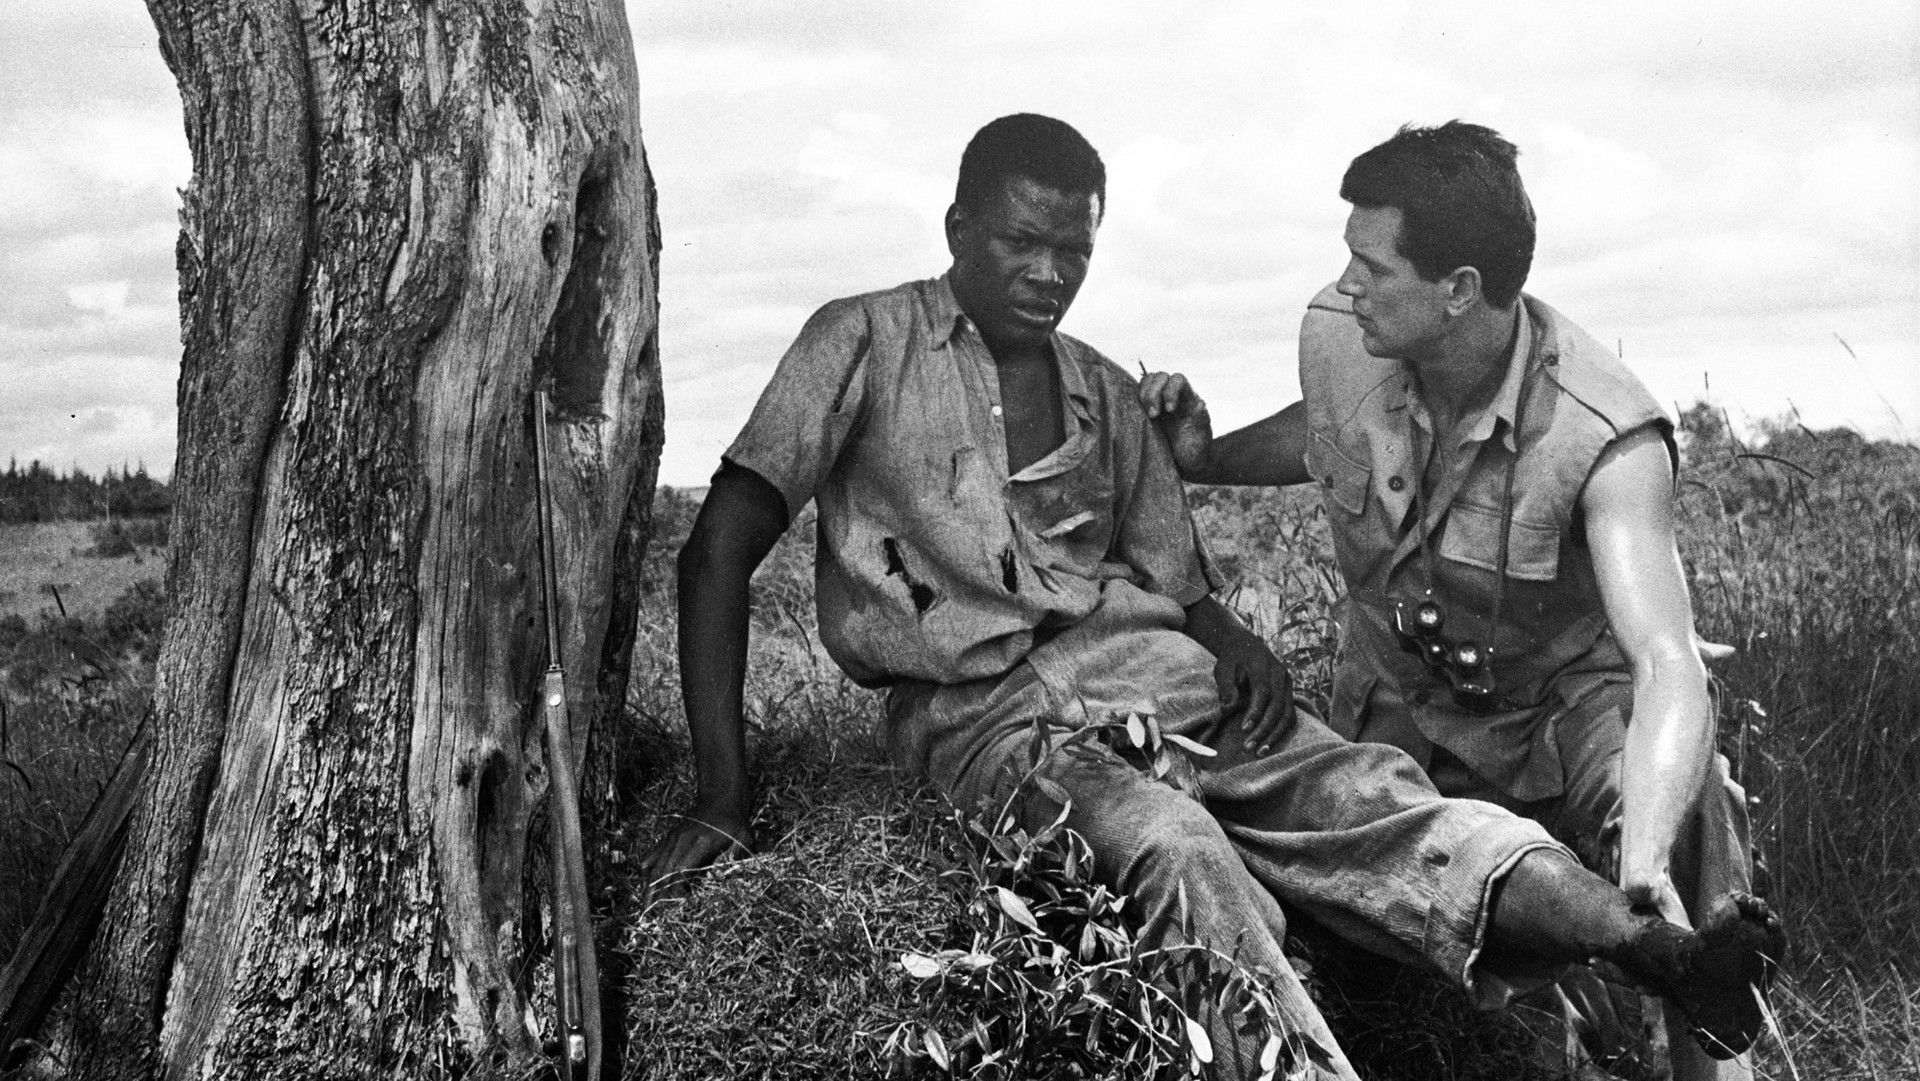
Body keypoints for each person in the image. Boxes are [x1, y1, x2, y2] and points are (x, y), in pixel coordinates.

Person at [642, 113, 1781, 1081]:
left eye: (1074, 250)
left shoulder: (1104, 392)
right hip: (989, 719)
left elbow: (1185, 590)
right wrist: (721, 789)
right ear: (957, 230)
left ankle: (1647, 942)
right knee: (1176, 844)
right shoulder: (856, 343)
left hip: (1170, 682)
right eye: (1021, 242)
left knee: (1369, 793)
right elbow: (717, 549)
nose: (1048, 274)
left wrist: (1238, 644)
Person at [1139, 120, 1776, 1078]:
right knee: (1375, 949)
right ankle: (1563, 1019)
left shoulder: (1606, 432)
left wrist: (1642, 855)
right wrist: (1208, 457)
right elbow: (1329, 427)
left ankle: (1705, 1039)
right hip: (1401, 710)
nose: (1347, 283)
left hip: (1559, 713)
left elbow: (1667, 661)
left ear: (1459, 290)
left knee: (1686, 829)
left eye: (1373, 266)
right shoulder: (1342, 332)